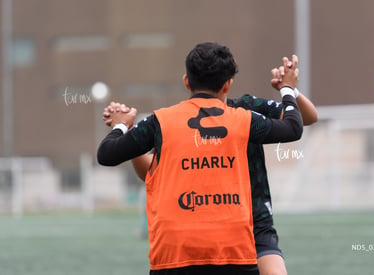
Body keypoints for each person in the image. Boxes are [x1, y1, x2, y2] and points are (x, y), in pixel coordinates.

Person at [97, 42, 303, 274]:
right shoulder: (243, 119)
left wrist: (121, 126)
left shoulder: (160, 122)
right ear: (228, 85)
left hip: (174, 256)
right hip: (233, 254)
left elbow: (107, 154)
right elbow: (293, 127)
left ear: (186, 81)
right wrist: (287, 89)